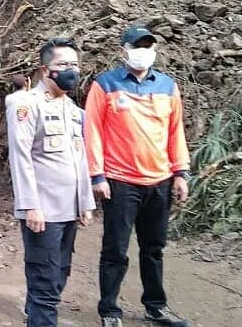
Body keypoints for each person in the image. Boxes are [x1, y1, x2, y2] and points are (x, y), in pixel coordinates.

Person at [84, 25, 191, 327]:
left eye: (148, 46)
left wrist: (180, 172)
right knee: (115, 249)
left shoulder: (168, 87)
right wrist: (97, 175)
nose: (143, 51)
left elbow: (175, 133)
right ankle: (109, 310)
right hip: (120, 181)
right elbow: (91, 132)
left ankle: (155, 307)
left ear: (154, 51)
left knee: (154, 248)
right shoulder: (104, 85)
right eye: (137, 46)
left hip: (160, 181)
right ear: (125, 50)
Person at [8, 38, 96, 327]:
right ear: (46, 71)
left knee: (60, 273)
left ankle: (35, 316)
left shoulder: (73, 109)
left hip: (68, 209)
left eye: (74, 64)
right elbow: (20, 157)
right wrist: (30, 205)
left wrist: (85, 202)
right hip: (43, 212)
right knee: (44, 279)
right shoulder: (26, 104)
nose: (71, 70)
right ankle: (41, 319)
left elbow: (79, 158)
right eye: (63, 64)